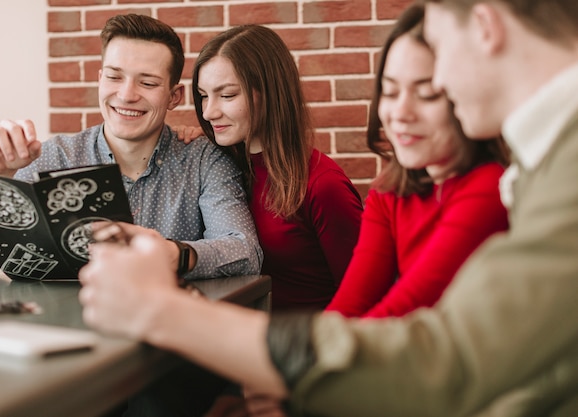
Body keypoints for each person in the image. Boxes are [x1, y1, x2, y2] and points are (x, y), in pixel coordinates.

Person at [79, 1, 578, 416]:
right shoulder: (227, 163)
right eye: (205, 98)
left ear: (487, 28)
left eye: (431, 80)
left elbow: (434, 350)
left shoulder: (505, 182)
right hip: (302, 356)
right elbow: (359, 310)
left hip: (331, 362)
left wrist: (164, 310)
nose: (210, 112)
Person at [0, 14, 262, 280]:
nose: (126, 95)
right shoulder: (51, 157)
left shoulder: (204, 160)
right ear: (100, 79)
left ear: (174, 96)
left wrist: (171, 253)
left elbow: (245, 251)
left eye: (148, 83)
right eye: (114, 77)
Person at [325, 5, 509, 319]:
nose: (400, 113)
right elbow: (349, 308)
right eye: (390, 91)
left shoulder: (491, 185)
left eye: (427, 94)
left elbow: (401, 313)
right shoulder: (391, 190)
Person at [192, 24, 363, 311]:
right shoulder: (220, 169)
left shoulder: (322, 184)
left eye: (227, 95)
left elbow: (363, 296)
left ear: (269, 92)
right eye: (204, 95)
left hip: (305, 347)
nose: (209, 112)